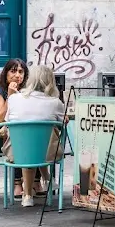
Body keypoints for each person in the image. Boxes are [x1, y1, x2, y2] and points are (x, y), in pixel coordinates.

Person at [4, 65, 67, 208]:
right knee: (43, 139)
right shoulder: (55, 103)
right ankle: (46, 179)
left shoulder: (14, 99)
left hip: (16, 152)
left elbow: (7, 121)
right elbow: (63, 122)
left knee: (27, 142)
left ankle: (28, 196)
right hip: (46, 153)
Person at [0, 59, 37, 197]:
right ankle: (18, 183)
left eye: (21, 72)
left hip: (25, 132)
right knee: (19, 136)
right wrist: (10, 96)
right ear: (6, 73)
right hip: (0, 135)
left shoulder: (28, 91)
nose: (17, 75)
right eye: (13, 71)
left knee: (36, 137)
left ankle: (36, 181)